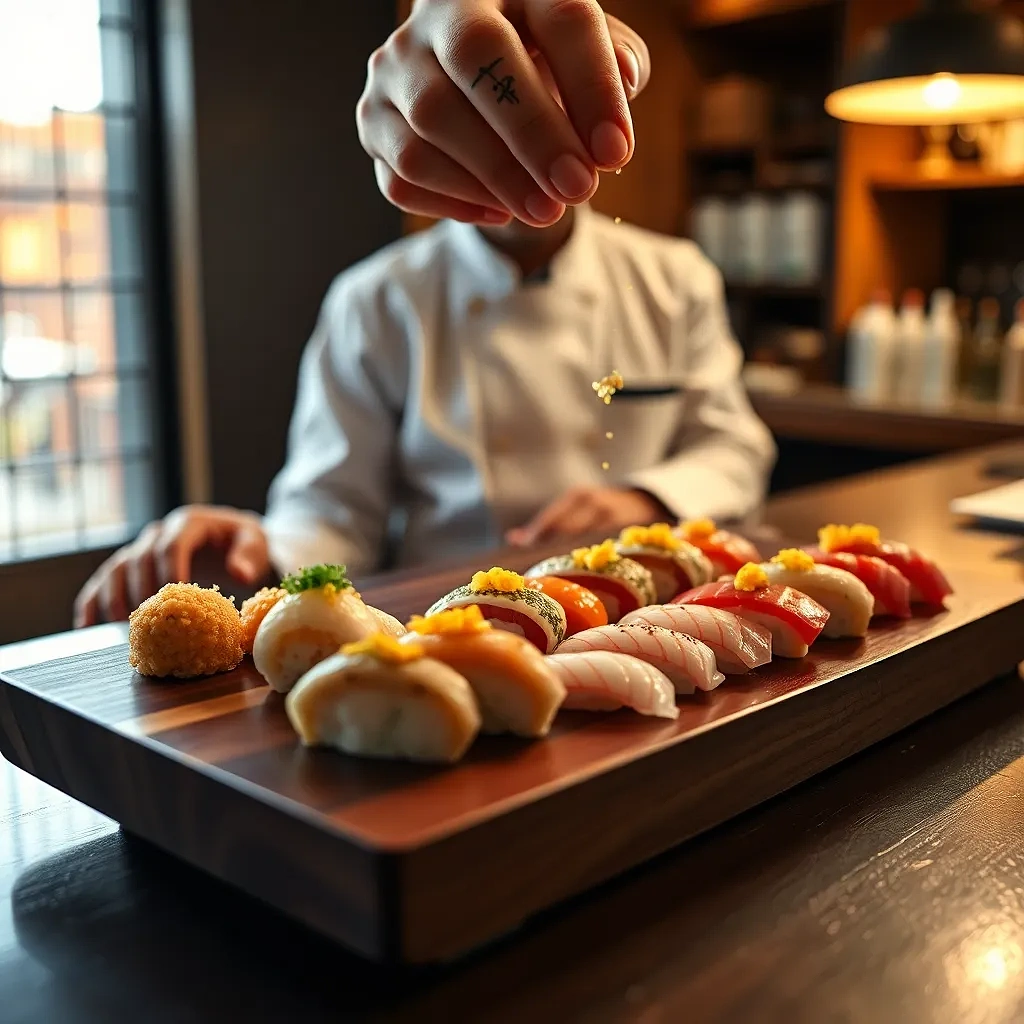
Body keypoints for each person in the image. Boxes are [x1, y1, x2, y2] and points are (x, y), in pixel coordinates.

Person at [74, 0, 775, 627]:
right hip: (443, 626)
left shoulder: (674, 277)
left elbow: (735, 448)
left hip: (636, 615)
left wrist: (645, 499)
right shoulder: (374, 300)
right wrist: (258, 551)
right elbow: (331, 511)